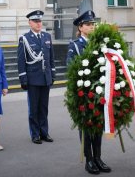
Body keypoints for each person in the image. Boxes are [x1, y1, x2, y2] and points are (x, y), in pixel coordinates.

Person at [66, 10, 112, 174]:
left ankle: (98, 157)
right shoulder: (75, 46)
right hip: (84, 94)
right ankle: (89, 160)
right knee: (86, 128)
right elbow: (71, 68)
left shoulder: (100, 44)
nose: (92, 27)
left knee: (98, 126)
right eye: (88, 24)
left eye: (93, 24)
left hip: (99, 92)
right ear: (80, 27)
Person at [17, 10, 56, 144]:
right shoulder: (25, 39)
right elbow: (21, 60)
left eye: (40, 21)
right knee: (33, 108)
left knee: (44, 107)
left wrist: (53, 73)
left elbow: (51, 57)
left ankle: (44, 132)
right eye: (35, 21)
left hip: (45, 77)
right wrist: (23, 78)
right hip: (33, 78)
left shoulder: (47, 36)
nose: (39, 24)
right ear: (30, 23)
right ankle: (35, 134)